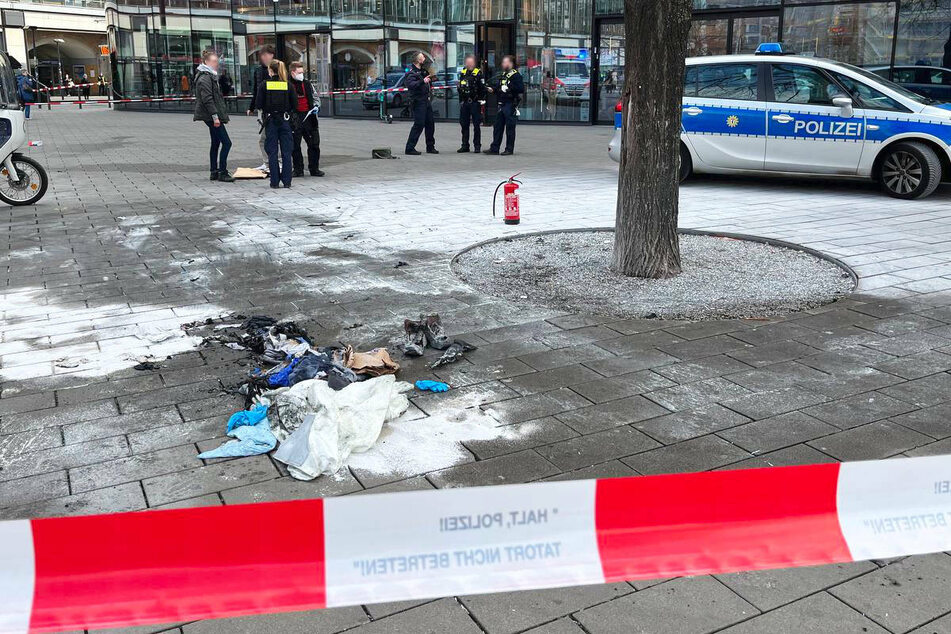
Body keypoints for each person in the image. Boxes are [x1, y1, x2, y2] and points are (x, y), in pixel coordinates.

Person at [253, 60, 296, 189]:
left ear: (270, 71)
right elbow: (295, 105)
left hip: (271, 121)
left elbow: (258, 104)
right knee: (286, 152)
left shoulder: (264, 85)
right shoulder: (287, 85)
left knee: (272, 152)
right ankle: (287, 181)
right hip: (285, 121)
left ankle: (274, 182)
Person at [193, 50, 234, 183]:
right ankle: (222, 171)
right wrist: (215, 117)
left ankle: (214, 171)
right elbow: (207, 99)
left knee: (216, 142)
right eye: (214, 61)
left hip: (210, 115)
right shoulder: (205, 77)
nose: (217, 64)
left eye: (217, 61)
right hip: (211, 116)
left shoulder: (210, 75)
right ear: (206, 62)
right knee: (227, 143)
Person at [288, 61, 323, 177]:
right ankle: (298, 169)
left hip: (309, 116)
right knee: (295, 146)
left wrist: (316, 106)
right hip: (295, 118)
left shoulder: (307, 84)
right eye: (299, 72)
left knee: (314, 144)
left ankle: (314, 168)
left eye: (302, 72)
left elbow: (315, 97)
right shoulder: (288, 85)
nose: (301, 75)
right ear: (292, 73)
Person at [485, 55, 524, 156]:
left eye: (505, 62)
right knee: (497, 127)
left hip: (510, 104)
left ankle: (509, 149)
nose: (503, 64)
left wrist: (509, 87)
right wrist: (493, 89)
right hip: (501, 104)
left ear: (510, 63)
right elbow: (499, 86)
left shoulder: (516, 75)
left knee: (510, 128)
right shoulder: (504, 74)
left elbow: (520, 88)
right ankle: (494, 148)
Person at [248, 45, 276, 172]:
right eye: (262, 55)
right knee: (263, 137)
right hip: (262, 109)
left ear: (272, 55)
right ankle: (267, 162)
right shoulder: (258, 71)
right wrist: (252, 106)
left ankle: (276, 161)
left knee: (273, 137)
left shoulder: (277, 69)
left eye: (267, 55)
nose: (264, 58)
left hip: (274, 109)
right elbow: (256, 90)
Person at [403, 51, 437, 156]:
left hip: (426, 101)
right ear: (418, 60)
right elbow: (411, 85)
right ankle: (409, 148)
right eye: (422, 57)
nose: (424, 58)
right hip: (418, 101)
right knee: (419, 124)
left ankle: (430, 147)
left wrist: (432, 79)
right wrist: (423, 81)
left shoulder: (423, 71)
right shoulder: (411, 72)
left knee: (430, 123)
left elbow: (427, 81)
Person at [456, 54, 486, 153]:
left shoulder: (478, 73)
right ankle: (465, 145)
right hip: (465, 103)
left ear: (474, 63)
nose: (469, 64)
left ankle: (477, 146)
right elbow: (460, 87)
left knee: (476, 125)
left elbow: (482, 88)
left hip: (474, 102)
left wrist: (480, 100)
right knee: (464, 125)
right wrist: (461, 100)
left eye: (471, 62)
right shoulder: (463, 73)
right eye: (467, 62)